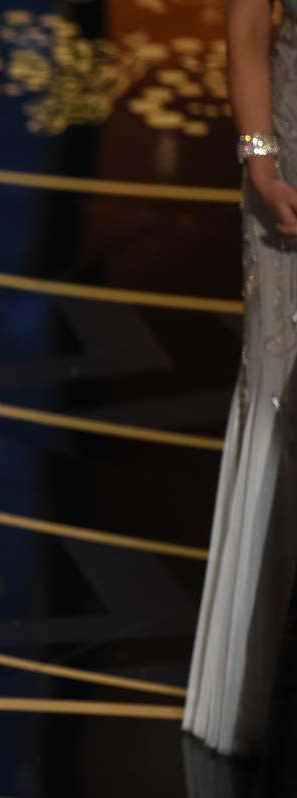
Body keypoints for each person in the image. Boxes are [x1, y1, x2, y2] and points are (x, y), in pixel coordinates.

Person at [184, 0, 297, 758]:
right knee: (281, 388)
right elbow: (248, 23)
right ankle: (260, 688)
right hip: (288, 161)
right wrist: (261, 159)